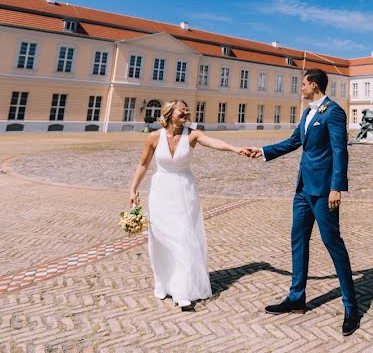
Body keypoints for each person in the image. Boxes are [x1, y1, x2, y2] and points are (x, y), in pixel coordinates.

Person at [244, 68, 360, 336]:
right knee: (298, 239)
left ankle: (351, 305)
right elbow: (294, 141)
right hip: (303, 190)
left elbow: (340, 151)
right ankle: (297, 298)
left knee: (333, 243)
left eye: (304, 84)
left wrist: (336, 188)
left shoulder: (333, 112)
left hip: (323, 190)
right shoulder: (308, 113)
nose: (301, 88)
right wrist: (262, 152)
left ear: (315, 85)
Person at [128, 100, 249, 311]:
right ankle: (163, 282)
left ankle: (182, 290)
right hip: (161, 192)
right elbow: (143, 164)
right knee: (161, 239)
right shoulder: (154, 137)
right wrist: (133, 189)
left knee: (183, 238)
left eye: (187, 111)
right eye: (181, 110)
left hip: (184, 191)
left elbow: (212, 142)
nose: (186, 113)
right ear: (169, 113)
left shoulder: (192, 134)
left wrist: (235, 148)